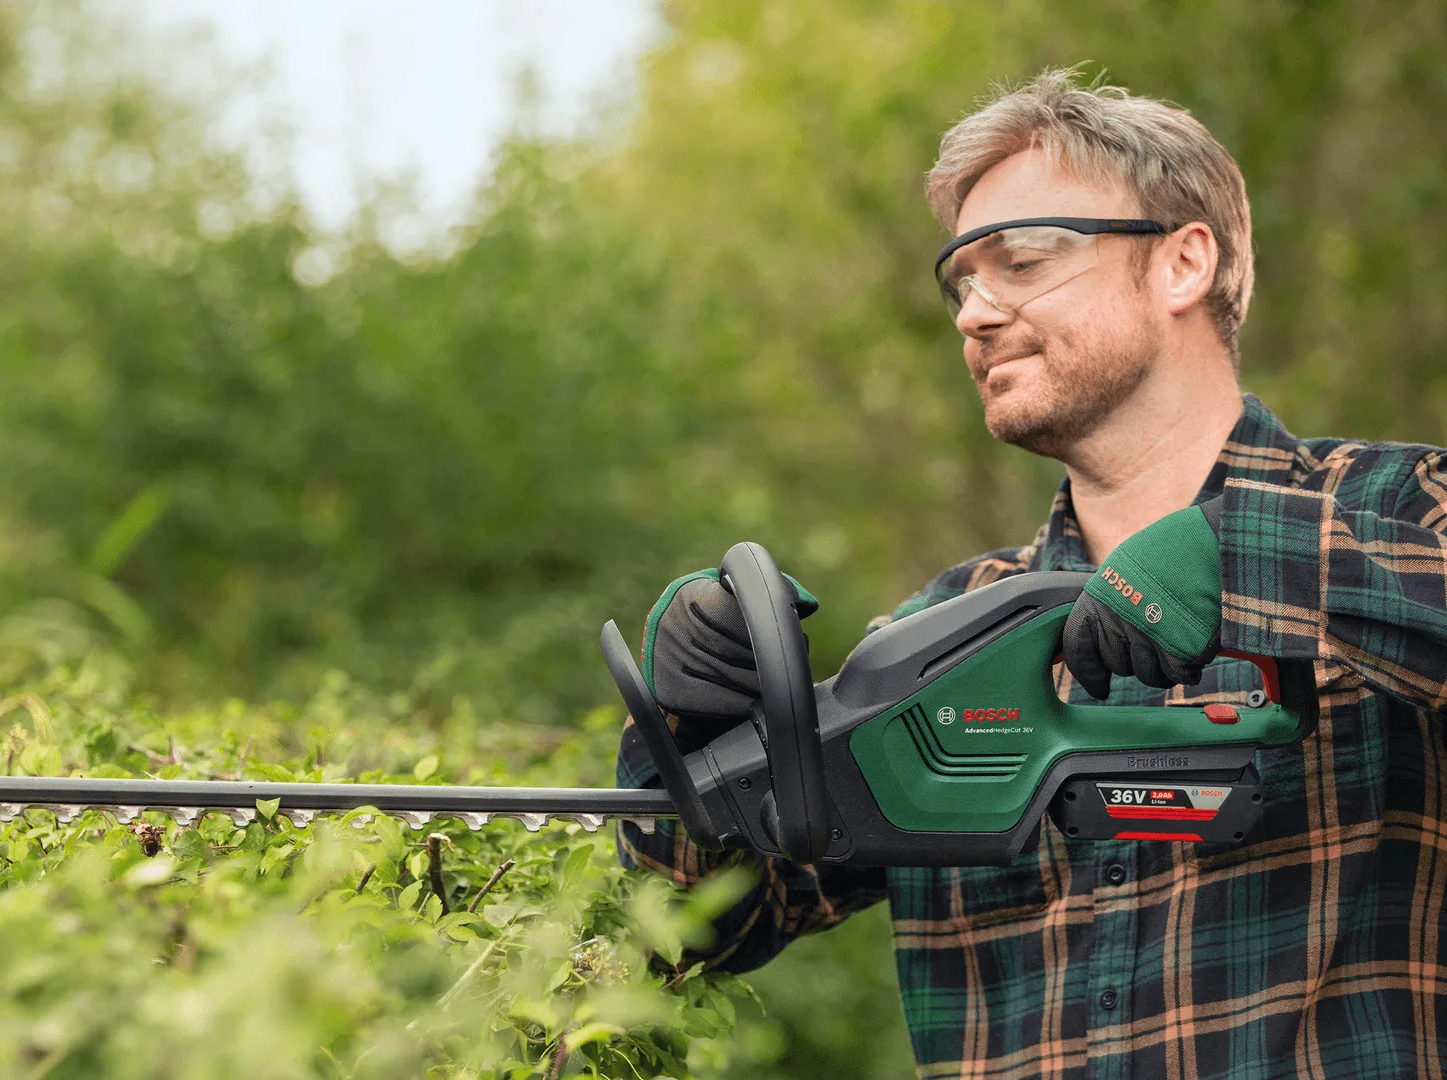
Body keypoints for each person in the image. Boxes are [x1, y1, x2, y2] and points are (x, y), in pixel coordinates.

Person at [618, 68, 1447, 1077]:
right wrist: (696, 734)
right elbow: (690, 934)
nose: (974, 313)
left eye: (1021, 260)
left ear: (1183, 263)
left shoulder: (1403, 506)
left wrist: (1237, 555)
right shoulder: (943, 629)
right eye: (962, 281)